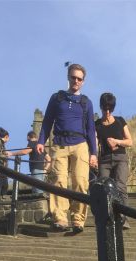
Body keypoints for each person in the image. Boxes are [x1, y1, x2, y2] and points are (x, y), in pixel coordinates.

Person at [36, 63, 98, 233]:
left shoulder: (86, 102)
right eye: (73, 77)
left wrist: (94, 153)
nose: (76, 81)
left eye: (79, 79)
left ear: (83, 82)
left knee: (81, 182)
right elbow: (47, 120)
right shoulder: (57, 98)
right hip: (60, 144)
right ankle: (60, 218)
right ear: (68, 77)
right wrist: (41, 141)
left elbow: (91, 129)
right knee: (58, 182)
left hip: (80, 145)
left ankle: (78, 220)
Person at [95, 92, 133, 230]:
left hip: (120, 158)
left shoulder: (120, 121)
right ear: (101, 107)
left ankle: (123, 218)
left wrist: (116, 141)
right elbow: (94, 143)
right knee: (103, 189)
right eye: (105, 108)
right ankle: (107, 218)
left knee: (121, 186)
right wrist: (92, 156)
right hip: (104, 160)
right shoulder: (97, 125)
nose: (107, 111)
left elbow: (130, 141)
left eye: (110, 108)